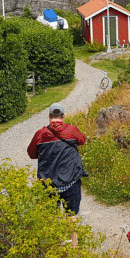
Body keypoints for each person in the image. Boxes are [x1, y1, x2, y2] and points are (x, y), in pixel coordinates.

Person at [27, 102, 87, 246]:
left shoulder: (40, 134)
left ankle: (55, 246)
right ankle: (74, 247)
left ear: (49, 116)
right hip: (70, 182)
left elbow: (31, 154)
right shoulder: (72, 130)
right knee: (71, 215)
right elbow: (82, 140)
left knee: (52, 216)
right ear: (64, 116)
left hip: (48, 184)